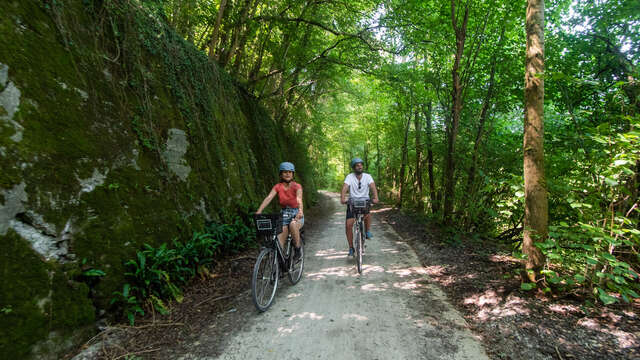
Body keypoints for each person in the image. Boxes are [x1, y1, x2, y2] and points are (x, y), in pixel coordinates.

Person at [256, 162, 304, 260]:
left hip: (296, 214)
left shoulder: (297, 186)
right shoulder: (278, 186)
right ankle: (279, 269)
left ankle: (298, 249)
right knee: (279, 243)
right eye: (285, 172)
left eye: (290, 172)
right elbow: (269, 198)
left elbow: (299, 199)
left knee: (293, 225)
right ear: (281, 174)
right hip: (284, 215)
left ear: (293, 174)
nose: (287, 174)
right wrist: (259, 211)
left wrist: (300, 211)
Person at [340, 157, 379, 257]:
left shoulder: (367, 176)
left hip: (365, 200)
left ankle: (367, 231)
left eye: (361, 165)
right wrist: (343, 198)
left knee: (368, 214)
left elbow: (373, 186)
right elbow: (345, 187)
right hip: (353, 201)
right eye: (357, 165)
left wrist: (376, 198)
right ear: (354, 167)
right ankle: (351, 248)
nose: (359, 166)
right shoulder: (349, 177)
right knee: (348, 225)